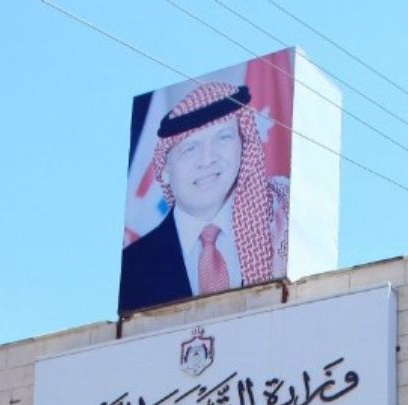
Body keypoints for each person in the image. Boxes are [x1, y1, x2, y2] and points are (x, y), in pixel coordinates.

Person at [119, 81, 289, 314]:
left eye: (223, 137)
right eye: (190, 148)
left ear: (243, 145)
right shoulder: (133, 265)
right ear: (165, 169)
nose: (207, 160)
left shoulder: (280, 231)